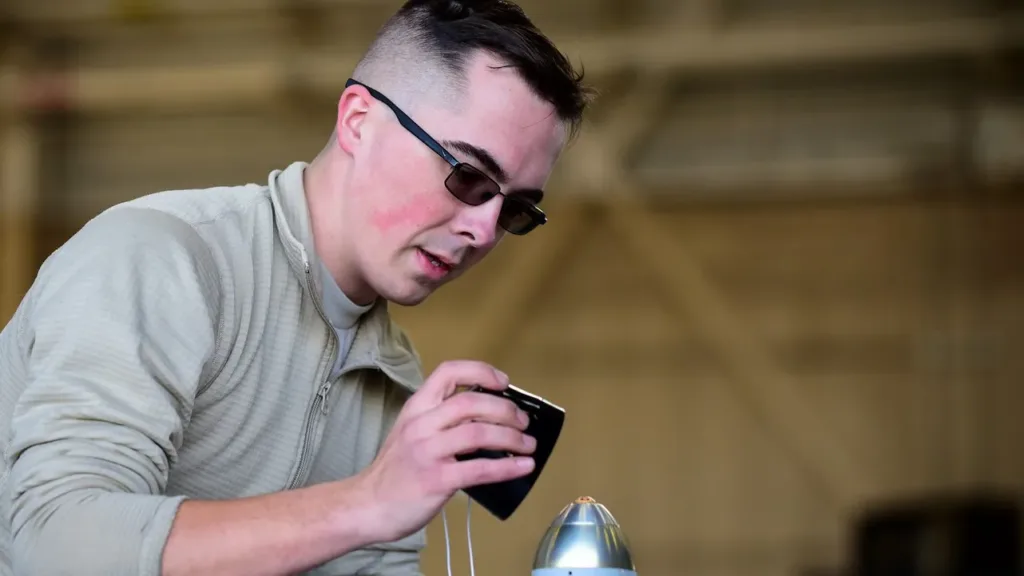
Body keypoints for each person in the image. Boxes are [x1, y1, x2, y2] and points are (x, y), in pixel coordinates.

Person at [0, 1, 593, 574]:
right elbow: (56, 545)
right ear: (358, 121)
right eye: (467, 177)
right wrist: (367, 501)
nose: (483, 231)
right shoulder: (160, 258)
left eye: (515, 210)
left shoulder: (394, 378)